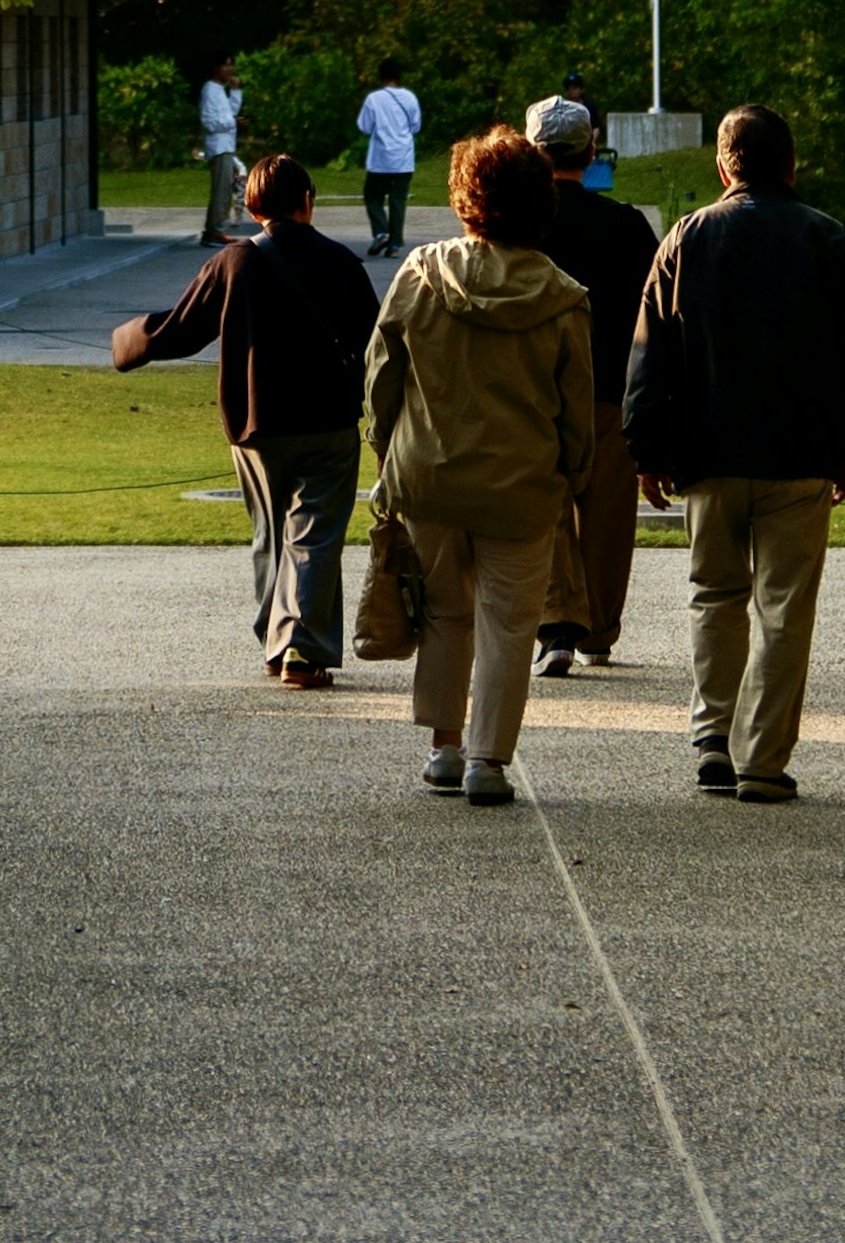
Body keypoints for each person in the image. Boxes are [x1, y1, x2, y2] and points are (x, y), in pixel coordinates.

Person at [620, 103, 845, 803]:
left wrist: (647, 447)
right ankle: (762, 757)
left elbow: (651, 357)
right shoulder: (829, 239)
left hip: (707, 453)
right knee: (784, 607)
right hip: (799, 453)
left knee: (715, 594)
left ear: (724, 164)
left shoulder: (687, 237)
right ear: (791, 164)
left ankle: (712, 733)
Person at [363, 125, 593, 812]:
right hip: (520, 484)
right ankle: (489, 757)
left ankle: (444, 745)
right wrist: (572, 475)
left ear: (467, 196)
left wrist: (385, 445)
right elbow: (575, 408)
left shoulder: (421, 272)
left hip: (430, 474)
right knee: (510, 622)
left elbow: (382, 374)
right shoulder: (562, 296)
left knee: (444, 613)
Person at [113, 155, 382, 683]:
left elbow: (180, 331)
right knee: (316, 534)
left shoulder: (233, 263)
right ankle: (300, 646)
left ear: (254, 204)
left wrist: (127, 342)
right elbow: (375, 343)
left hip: (256, 424)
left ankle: (276, 640)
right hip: (328, 421)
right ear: (307, 201)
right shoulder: (341, 262)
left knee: (270, 534)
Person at [519, 93, 657, 681]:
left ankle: (556, 625)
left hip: (534, 393)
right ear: (591, 150)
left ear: (530, 151)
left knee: (545, 509)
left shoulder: (520, 228)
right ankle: (598, 627)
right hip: (608, 389)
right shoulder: (625, 225)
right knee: (605, 515)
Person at [352, 66, 423, 259]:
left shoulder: (374, 99)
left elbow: (365, 127)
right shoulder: (410, 98)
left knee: (373, 197)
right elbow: (416, 126)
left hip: (380, 160)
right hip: (404, 159)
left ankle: (381, 232)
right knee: (398, 201)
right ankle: (394, 245)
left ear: (381, 77)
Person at [195, 63, 247, 247]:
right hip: (218, 148)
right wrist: (232, 123)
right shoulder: (210, 90)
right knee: (220, 191)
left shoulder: (219, 90)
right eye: (226, 65)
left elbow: (230, 113)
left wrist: (235, 91)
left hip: (226, 146)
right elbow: (209, 122)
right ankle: (213, 232)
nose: (231, 69)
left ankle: (217, 230)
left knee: (225, 190)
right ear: (216, 68)